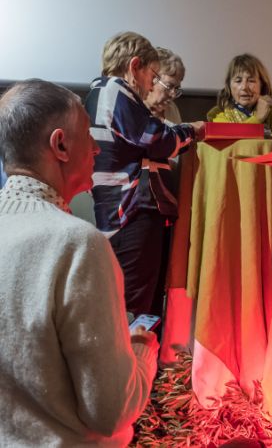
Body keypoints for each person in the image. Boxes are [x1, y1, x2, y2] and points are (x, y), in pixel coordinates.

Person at [0, 79, 159, 446]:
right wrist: (141, 351)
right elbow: (111, 410)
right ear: (60, 145)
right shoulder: (76, 244)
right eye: (88, 134)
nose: (97, 148)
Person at [86, 31, 205, 319]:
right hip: (130, 210)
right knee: (135, 305)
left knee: (134, 298)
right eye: (152, 75)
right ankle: (135, 349)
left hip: (119, 211)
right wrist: (191, 131)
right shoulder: (116, 91)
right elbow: (155, 139)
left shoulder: (97, 91)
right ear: (134, 65)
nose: (152, 84)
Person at [207, 53, 272, 137]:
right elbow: (229, 139)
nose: (244, 87)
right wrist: (257, 118)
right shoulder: (219, 114)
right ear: (229, 85)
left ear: (262, 84)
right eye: (238, 81)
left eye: (251, 81)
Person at [145, 46, 185, 125]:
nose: (173, 95)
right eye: (169, 86)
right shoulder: (131, 108)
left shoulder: (171, 109)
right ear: (151, 79)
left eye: (176, 88)